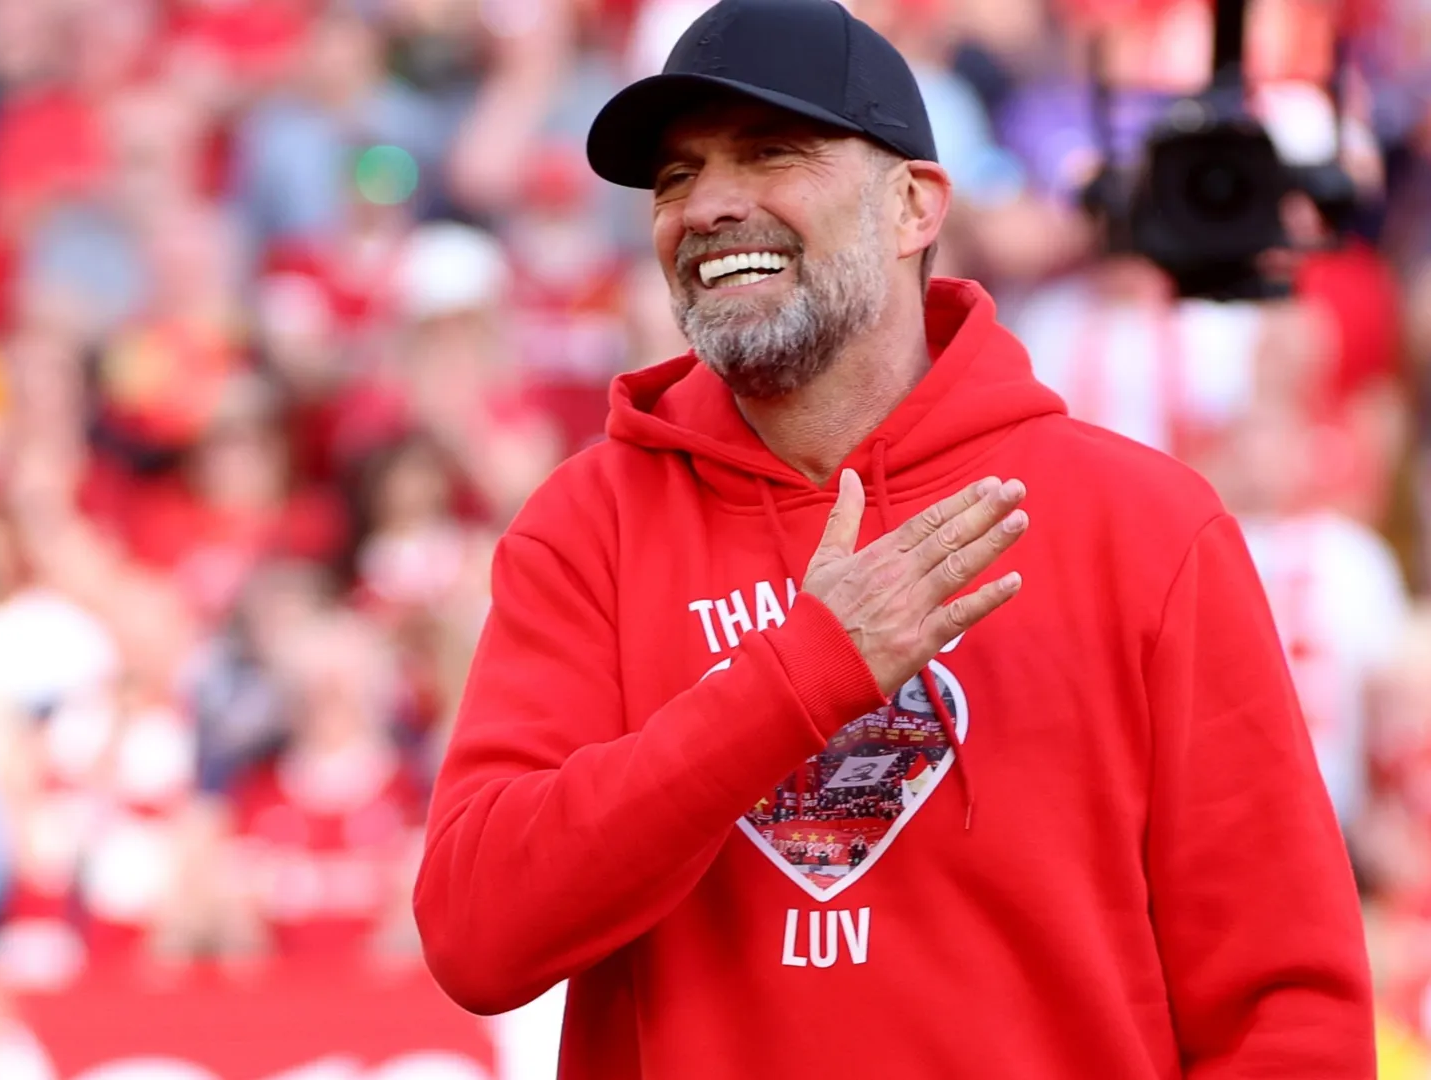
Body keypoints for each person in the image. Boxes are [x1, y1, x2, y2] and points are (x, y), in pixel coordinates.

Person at [415, 1, 1371, 1076]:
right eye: (678, 176)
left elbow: (1286, 1004)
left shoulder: (1145, 527)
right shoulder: (588, 527)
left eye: (772, 153)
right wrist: (798, 679)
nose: (710, 205)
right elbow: (476, 936)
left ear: (915, 204)